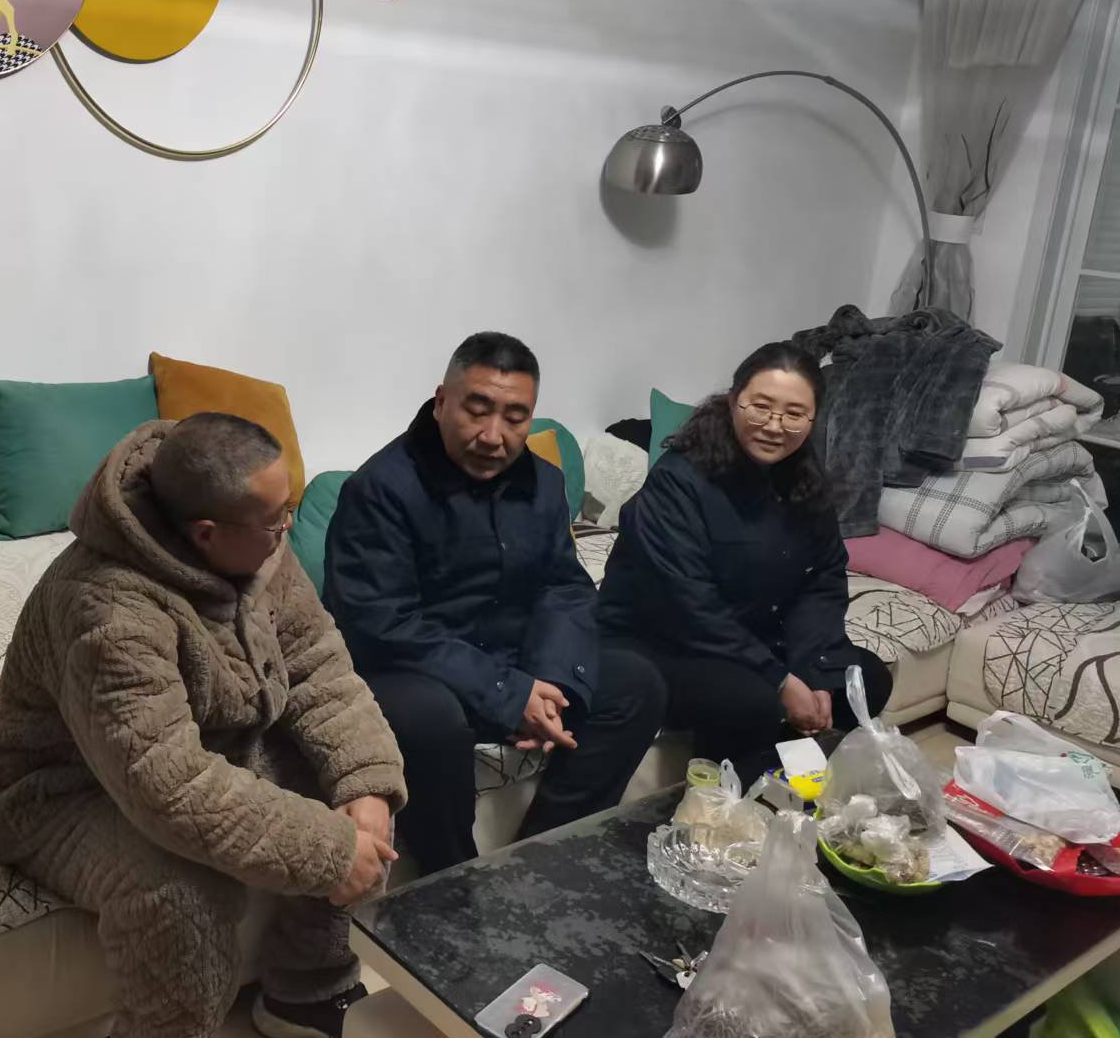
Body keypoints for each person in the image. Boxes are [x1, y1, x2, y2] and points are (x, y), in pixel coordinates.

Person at [0, 413, 407, 1038]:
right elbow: (167, 785)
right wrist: (328, 853)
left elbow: (318, 665)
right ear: (207, 533)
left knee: (346, 783)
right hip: (64, 788)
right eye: (276, 520)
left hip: (199, 748)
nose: (288, 528)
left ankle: (307, 989)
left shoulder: (255, 540)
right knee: (180, 895)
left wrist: (367, 783)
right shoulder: (105, 607)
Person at [322, 332, 666, 877]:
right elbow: (381, 623)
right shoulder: (380, 488)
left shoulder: (544, 482)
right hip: (413, 669)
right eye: (477, 410)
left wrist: (551, 680)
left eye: (514, 417)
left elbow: (564, 586)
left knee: (636, 683)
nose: (493, 436)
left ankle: (540, 861)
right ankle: (453, 883)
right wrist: (507, 691)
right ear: (441, 402)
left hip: (512, 659)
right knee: (431, 721)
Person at [596, 341, 894, 767]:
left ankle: (790, 780)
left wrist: (816, 669)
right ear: (734, 401)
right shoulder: (679, 479)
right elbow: (687, 603)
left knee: (864, 680)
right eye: (761, 407)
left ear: (813, 418)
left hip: (750, 634)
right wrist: (779, 679)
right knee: (752, 700)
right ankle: (728, 797)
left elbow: (822, 578)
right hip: (663, 639)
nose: (774, 426)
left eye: (794, 414)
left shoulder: (805, 478)